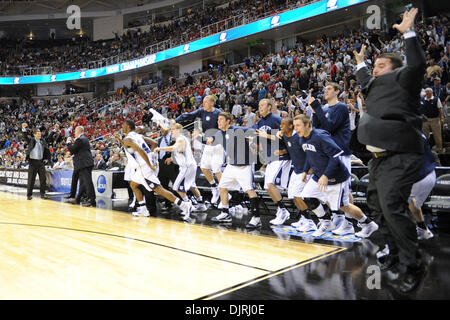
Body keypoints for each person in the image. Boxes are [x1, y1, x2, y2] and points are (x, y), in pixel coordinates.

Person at [353, 8, 427, 293]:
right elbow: (364, 80)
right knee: (377, 207)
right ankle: (394, 250)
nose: (375, 68)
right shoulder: (373, 86)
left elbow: (417, 64)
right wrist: (361, 63)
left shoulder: (404, 80)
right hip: (378, 159)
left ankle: (413, 265)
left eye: (381, 65)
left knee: (393, 207)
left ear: (395, 69)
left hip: (401, 153)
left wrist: (409, 32)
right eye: (375, 65)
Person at [117, 120, 192, 218]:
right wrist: (151, 157)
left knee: (159, 190)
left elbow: (140, 150)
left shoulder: (128, 139)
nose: (122, 127)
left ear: (128, 126)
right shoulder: (138, 136)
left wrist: (149, 164)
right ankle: (143, 209)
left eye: (123, 125)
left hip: (144, 167)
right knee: (133, 185)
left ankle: (184, 205)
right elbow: (154, 143)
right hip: (144, 167)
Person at [208, 112, 261, 229]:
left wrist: (250, 138)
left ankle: (256, 218)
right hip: (231, 166)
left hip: (245, 166)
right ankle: (225, 214)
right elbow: (209, 140)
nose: (218, 122)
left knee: (250, 190)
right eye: (218, 120)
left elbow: (254, 132)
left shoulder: (237, 129)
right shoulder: (219, 133)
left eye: (221, 119)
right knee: (222, 187)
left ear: (228, 121)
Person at [174, 95, 222, 205]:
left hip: (218, 143)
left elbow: (222, 129)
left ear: (212, 103)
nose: (203, 104)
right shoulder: (202, 111)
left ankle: (222, 190)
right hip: (208, 143)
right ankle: (215, 187)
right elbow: (188, 115)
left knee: (216, 169)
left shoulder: (218, 113)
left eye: (205, 102)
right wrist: (175, 120)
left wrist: (213, 138)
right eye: (203, 102)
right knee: (204, 167)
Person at [155, 123, 206, 217]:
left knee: (176, 186)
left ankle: (187, 205)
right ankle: (201, 204)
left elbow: (173, 148)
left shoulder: (181, 138)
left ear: (178, 130)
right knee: (191, 185)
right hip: (189, 165)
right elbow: (180, 152)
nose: (171, 131)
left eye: (173, 129)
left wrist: (159, 148)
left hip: (187, 166)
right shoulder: (181, 139)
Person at [275, 118, 316, 232]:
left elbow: (309, 153)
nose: (281, 126)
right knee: (292, 195)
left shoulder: (298, 138)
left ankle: (310, 221)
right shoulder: (284, 136)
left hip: (304, 171)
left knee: (298, 196)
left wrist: (310, 168)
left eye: (283, 124)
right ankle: (304, 218)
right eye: (280, 124)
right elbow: (289, 148)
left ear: (290, 126)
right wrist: (283, 152)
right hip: (296, 170)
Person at [66, 126, 96, 207]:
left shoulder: (80, 139)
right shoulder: (84, 139)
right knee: (83, 182)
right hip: (85, 163)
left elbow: (72, 150)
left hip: (84, 163)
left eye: (75, 132)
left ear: (78, 131)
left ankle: (92, 200)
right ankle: (78, 199)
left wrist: (68, 143)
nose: (74, 133)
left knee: (87, 182)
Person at [21, 122, 51, 200]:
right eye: (38, 134)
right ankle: (29, 195)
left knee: (43, 179)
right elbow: (25, 137)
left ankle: (42, 194)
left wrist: (47, 158)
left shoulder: (42, 141)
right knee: (31, 179)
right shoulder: (31, 140)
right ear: (34, 134)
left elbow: (47, 149)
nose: (39, 135)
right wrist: (23, 129)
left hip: (41, 162)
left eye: (40, 134)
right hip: (33, 162)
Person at [156, 123, 179, 210]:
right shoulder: (160, 139)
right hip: (161, 164)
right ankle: (167, 203)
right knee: (163, 185)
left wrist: (172, 158)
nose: (161, 130)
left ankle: (184, 202)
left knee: (177, 185)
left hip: (172, 164)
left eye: (162, 128)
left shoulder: (173, 137)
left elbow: (178, 149)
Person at [420, 87, 444, 153]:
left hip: (435, 119)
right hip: (425, 120)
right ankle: (426, 149)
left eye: (428, 91)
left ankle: (439, 149)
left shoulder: (436, 99)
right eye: (426, 91)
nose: (427, 93)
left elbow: (440, 108)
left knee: (437, 135)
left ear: (431, 92)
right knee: (425, 136)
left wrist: (442, 117)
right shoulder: (422, 99)